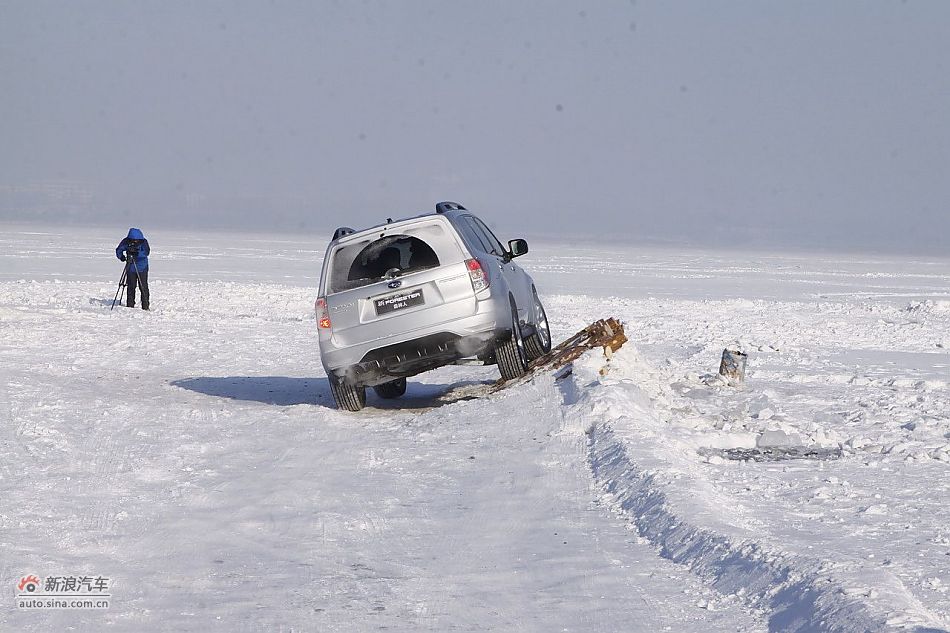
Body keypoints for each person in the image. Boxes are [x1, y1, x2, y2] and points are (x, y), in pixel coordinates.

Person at [115, 228, 150, 310]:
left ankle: (145, 306)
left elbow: (146, 253)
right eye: (133, 240)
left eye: (136, 240)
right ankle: (130, 305)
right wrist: (121, 257)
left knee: (143, 287)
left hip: (142, 267)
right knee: (131, 286)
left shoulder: (143, 242)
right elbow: (119, 250)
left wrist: (136, 253)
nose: (134, 242)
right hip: (130, 267)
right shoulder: (126, 241)